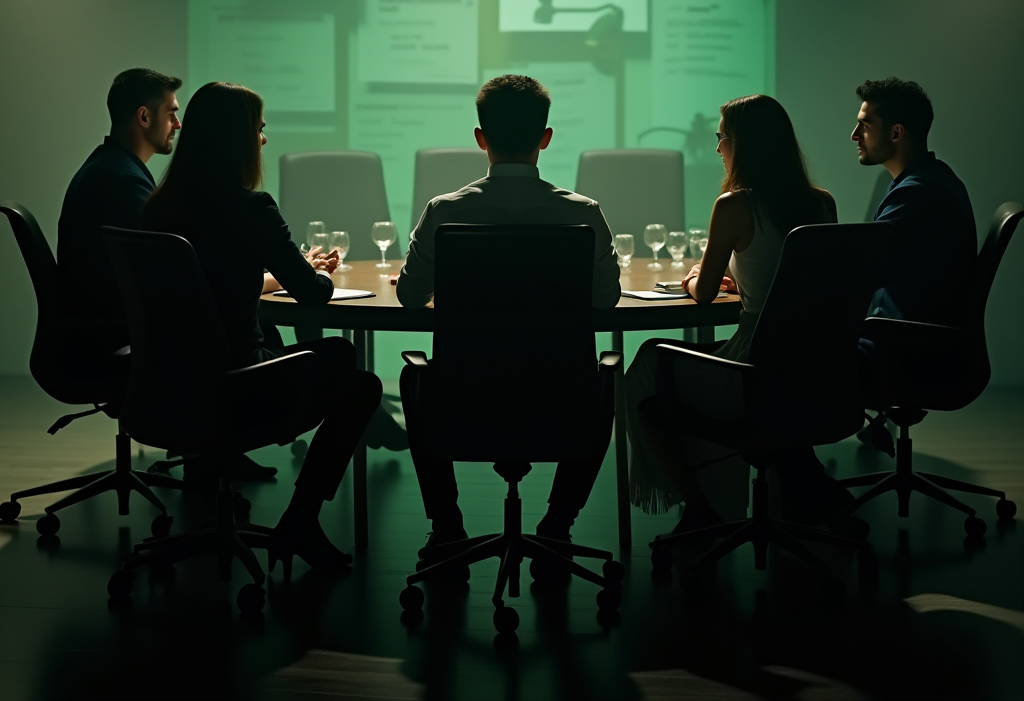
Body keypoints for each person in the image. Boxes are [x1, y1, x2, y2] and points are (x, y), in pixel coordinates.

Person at [144, 82, 382, 570]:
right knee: (355, 377)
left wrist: (275, 271)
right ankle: (300, 521)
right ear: (238, 141)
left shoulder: (159, 209)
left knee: (310, 354)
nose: (264, 140)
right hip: (237, 391)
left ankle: (220, 498)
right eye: (259, 129)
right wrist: (317, 271)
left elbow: (207, 286)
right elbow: (313, 295)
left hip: (164, 388)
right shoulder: (252, 208)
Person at [396, 74, 620, 562]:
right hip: (561, 399)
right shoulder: (583, 214)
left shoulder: (444, 211)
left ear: (480, 139)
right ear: (545, 138)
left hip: (466, 399)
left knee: (413, 375)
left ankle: (448, 526)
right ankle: (558, 525)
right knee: (607, 374)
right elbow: (606, 300)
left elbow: (411, 297)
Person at [624, 94, 838, 530]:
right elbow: (797, 277)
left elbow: (702, 295)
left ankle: (699, 505)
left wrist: (694, 277)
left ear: (742, 144)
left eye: (722, 138)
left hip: (755, 372)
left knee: (647, 366)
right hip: (815, 372)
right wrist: (745, 278)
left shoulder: (735, 205)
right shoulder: (822, 203)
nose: (718, 148)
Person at [852, 77, 977, 402]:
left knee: (787, 354)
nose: (855, 135)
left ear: (896, 133)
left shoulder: (917, 194)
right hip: (910, 342)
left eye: (864, 126)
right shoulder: (930, 179)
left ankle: (784, 451)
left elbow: (862, 274)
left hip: (905, 352)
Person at [58, 68, 182, 376]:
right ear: (144, 117)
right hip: (115, 336)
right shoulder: (122, 182)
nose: (177, 125)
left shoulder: (111, 167)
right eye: (170, 114)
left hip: (103, 329)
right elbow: (174, 270)